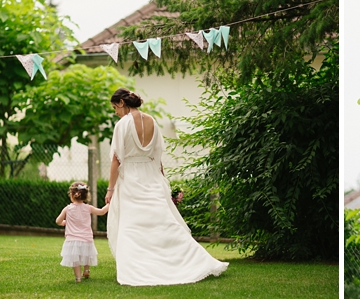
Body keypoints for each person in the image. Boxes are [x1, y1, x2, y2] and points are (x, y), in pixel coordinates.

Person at [105, 88, 229, 286]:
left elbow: (116, 159)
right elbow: (157, 156)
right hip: (151, 176)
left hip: (131, 177)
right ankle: (189, 261)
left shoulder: (122, 125)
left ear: (121, 102)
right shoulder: (152, 121)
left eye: (114, 107)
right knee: (163, 221)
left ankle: (141, 267)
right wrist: (161, 180)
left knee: (133, 224)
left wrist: (110, 189)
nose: (115, 112)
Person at [55, 182, 109, 283]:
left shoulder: (67, 209)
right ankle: (86, 270)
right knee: (86, 254)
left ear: (72, 195)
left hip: (72, 239)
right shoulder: (88, 208)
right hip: (86, 238)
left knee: (75, 258)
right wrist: (109, 204)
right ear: (86, 196)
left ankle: (78, 278)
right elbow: (102, 212)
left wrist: (64, 222)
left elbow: (58, 221)